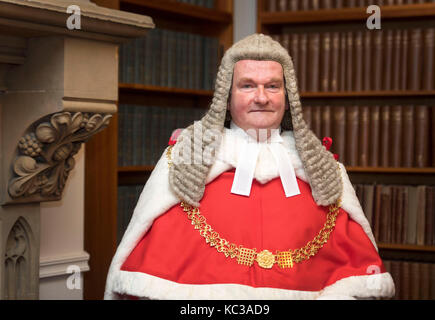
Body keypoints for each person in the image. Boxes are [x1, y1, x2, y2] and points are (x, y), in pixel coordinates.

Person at [104, 33, 395, 300]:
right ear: (226, 100)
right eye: (247, 86)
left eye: (272, 86)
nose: (261, 97)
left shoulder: (325, 169)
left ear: (288, 97)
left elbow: (355, 273)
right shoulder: (183, 160)